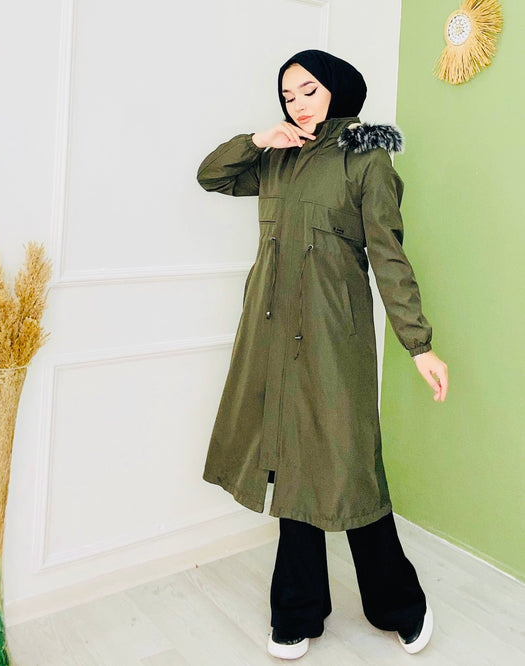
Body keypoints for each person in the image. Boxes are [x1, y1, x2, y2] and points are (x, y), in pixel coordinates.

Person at [196, 49, 448, 660]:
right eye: (288, 95)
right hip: (271, 335)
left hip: (335, 338)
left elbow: (389, 257)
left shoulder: (367, 159)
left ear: (337, 89)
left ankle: (398, 604)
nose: (298, 104)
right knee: (289, 462)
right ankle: (297, 609)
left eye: (308, 90)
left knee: (350, 465)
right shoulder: (276, 157)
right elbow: (212, 176)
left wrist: (419, 345)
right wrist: (259, 139)